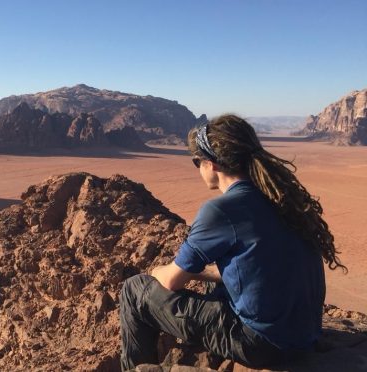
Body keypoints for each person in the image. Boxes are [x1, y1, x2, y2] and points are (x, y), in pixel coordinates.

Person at [119, 115, 347, 370]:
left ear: (212, 163)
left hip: (262, 344)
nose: (197, 169)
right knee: (211, 285)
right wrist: (204, 275)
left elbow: (171, 281)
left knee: (133, 290)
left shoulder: (221, 211)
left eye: (197, 162)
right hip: (304, 336)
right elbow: (259, 267)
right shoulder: (282, 198)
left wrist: (155, 271)